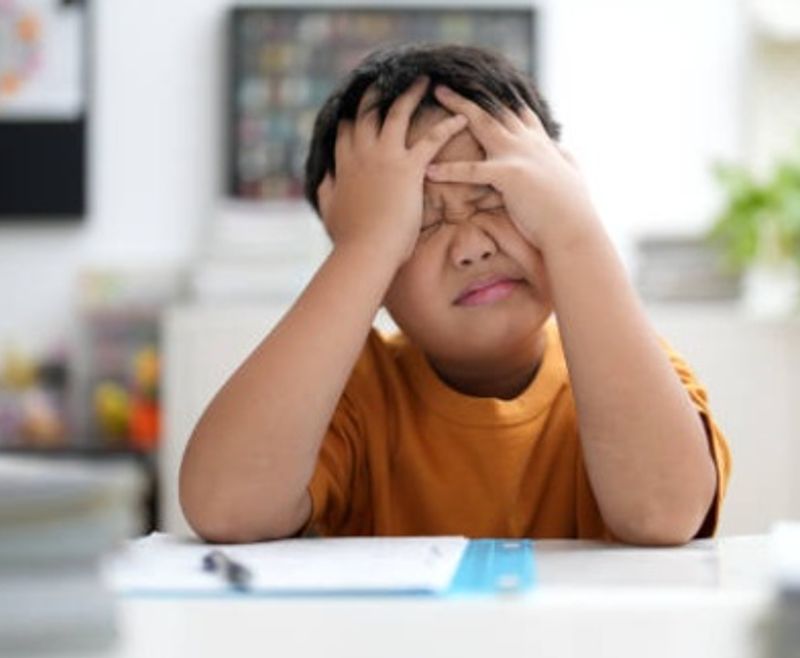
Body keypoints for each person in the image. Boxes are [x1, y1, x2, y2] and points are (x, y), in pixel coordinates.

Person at [180, 44, 731, 545]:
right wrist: (365, 245)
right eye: (416, 223)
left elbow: (662, 515)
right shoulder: (346, 393)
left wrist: (575, 231)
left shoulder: (631, 369)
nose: (470, 247)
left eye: (495, 198)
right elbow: (228, 510)